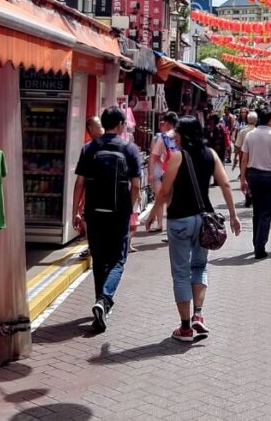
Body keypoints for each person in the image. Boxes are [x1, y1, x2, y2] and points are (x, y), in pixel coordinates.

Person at [147, 116, 242, 343]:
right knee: (199, 266)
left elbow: (165, 190)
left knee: (181, 272)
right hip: (203, 219)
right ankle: (199, 313)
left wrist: (152, 214)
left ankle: (186, 327)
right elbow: (226, 183)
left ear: (184, 134)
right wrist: (233, 215)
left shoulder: (178, 156)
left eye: (177, 133)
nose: (175, 136)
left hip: (180, 220)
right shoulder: (211, 154)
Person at [72, 109, 142, 332]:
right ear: (121, 124)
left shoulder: (89, 148)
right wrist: (129, 209)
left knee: (99, 260)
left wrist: (76, 211)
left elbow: (80, 183)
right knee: (118, 260)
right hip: (118, 213)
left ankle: (99, 306)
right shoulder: (130, 149)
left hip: (94, 213)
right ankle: (104, 300)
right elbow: (137, 186)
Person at [239, 109, 271, 259]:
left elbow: (244, 159)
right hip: (268, 176)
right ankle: (260, 246)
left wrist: (242, 179)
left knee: (257, 211)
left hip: (253, 175)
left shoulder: (250, 135)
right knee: (266, 212)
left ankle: (256, 242)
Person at [146, 112, 178, 233]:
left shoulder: (162, 137)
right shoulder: (183, 135)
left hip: (162, 172)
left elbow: (153, 156)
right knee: (171, 200)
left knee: (161, 197)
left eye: (163, 122)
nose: (161, 124)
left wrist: (151, 173)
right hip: (175, 173)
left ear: (168, 123)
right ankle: (170, 228)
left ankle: (161, 224)